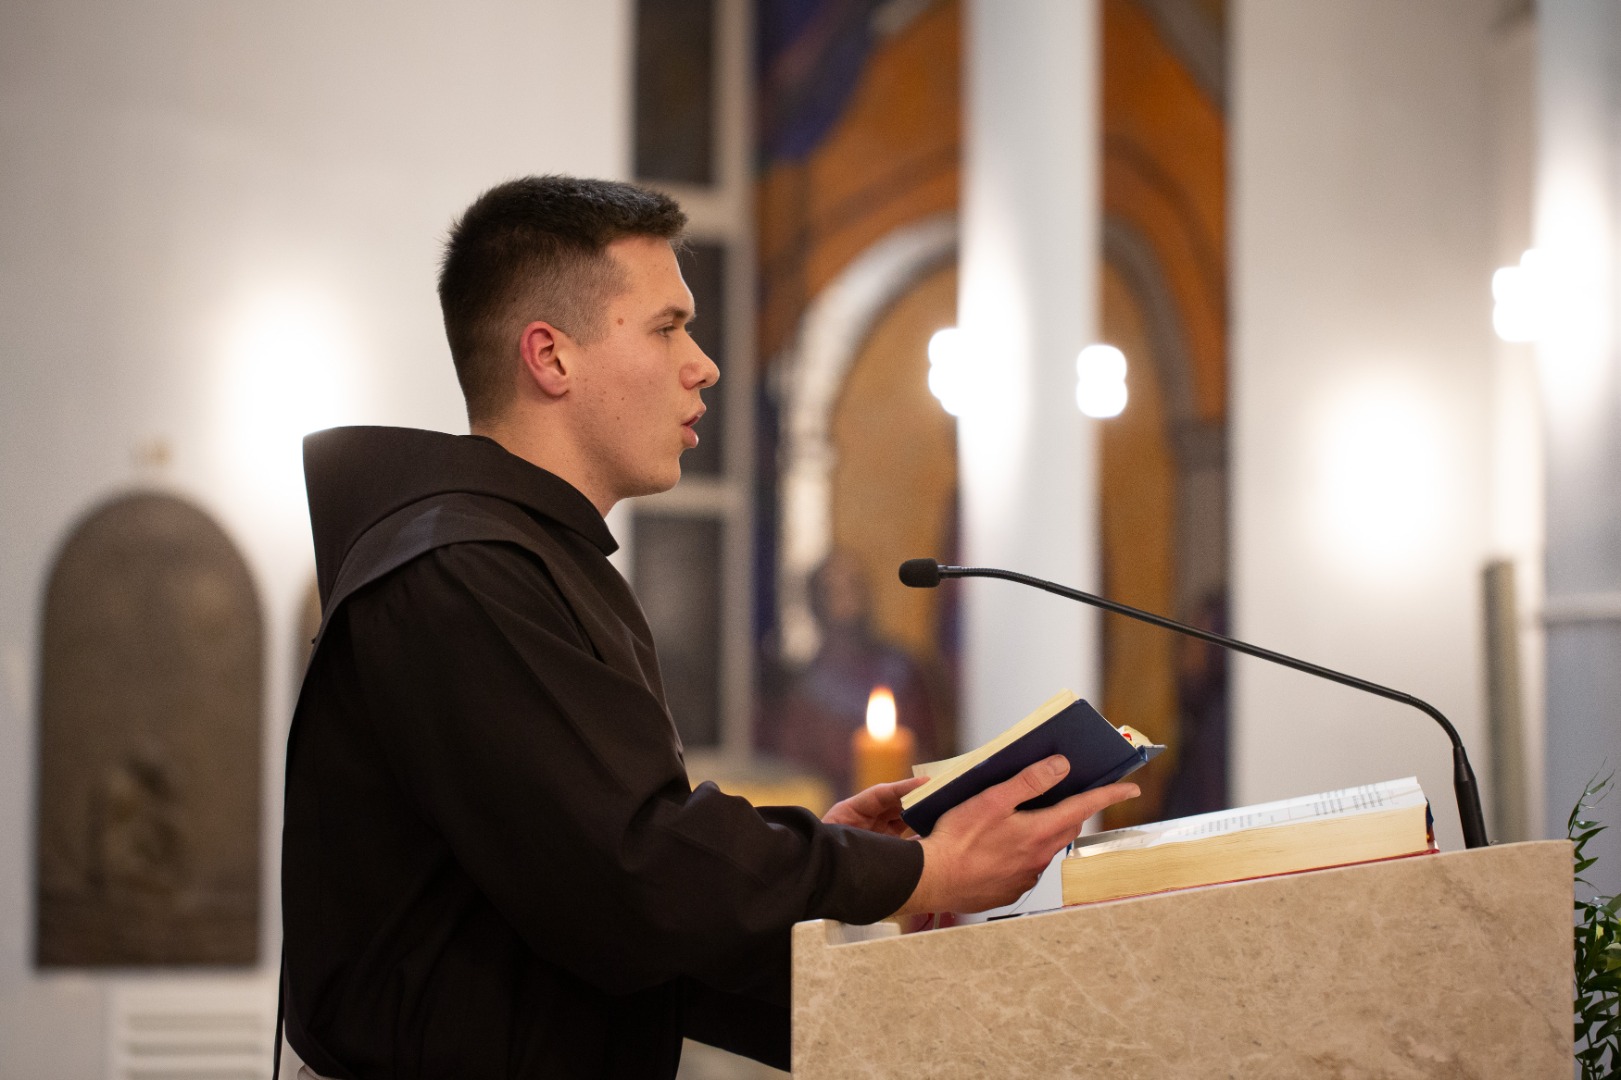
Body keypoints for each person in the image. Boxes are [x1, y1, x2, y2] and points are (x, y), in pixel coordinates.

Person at [279, 175, 1139, 1080]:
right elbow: (632, 874)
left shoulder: (530, 562)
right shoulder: (463, 573)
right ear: (551, 357)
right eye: (666, 328)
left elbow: (603, 916)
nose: (703, 364)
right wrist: (913, 874)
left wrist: (853, 892)